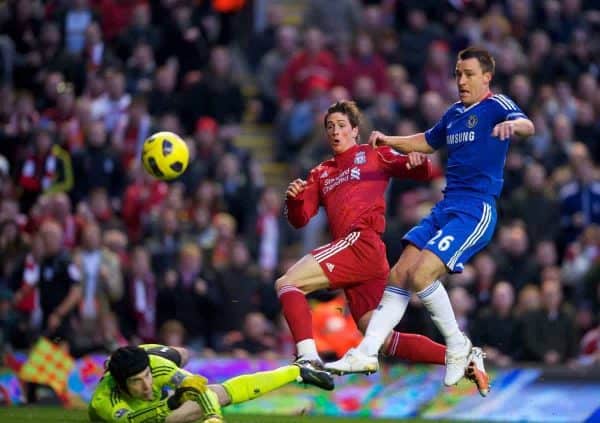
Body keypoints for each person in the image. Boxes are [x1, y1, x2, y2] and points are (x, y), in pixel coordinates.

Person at [326, 47, 535, 392]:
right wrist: (388, 140)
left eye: (468, 74)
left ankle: (459, 346)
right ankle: (366, 351)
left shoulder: (497, 106)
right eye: (457, 74)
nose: (461, 80)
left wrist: (514, 126)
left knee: (423, 274)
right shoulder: (453, 114)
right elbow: (426, 141)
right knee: (400, 273)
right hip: (445, 206)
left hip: (475, 209)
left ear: (486, 77)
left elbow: (528, 125)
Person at [276, 100, 489, 395]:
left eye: (341, 126)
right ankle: (464, 358)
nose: (335, 132)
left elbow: (421, 170)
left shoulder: (372, 155)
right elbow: (300, 219)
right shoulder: (320, 173)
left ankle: (308, 358)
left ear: (354, 130)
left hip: (360, 242)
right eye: (329, 127)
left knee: (288, 284)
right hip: (362, 258)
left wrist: (418, 162)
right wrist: (294, 199)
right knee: (382, 338)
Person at [89, 343, 333, 422]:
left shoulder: (156, 366)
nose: (145, 385)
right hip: (143, 416)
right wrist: (172, 402)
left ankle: (297, 371)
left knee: (184, 356)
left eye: (146, 377)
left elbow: (198, 388)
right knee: (168, 420)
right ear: (121, 384)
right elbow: (135, 421)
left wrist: (212, 416)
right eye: (136, 382)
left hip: (153, 354)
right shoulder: (105, 403)